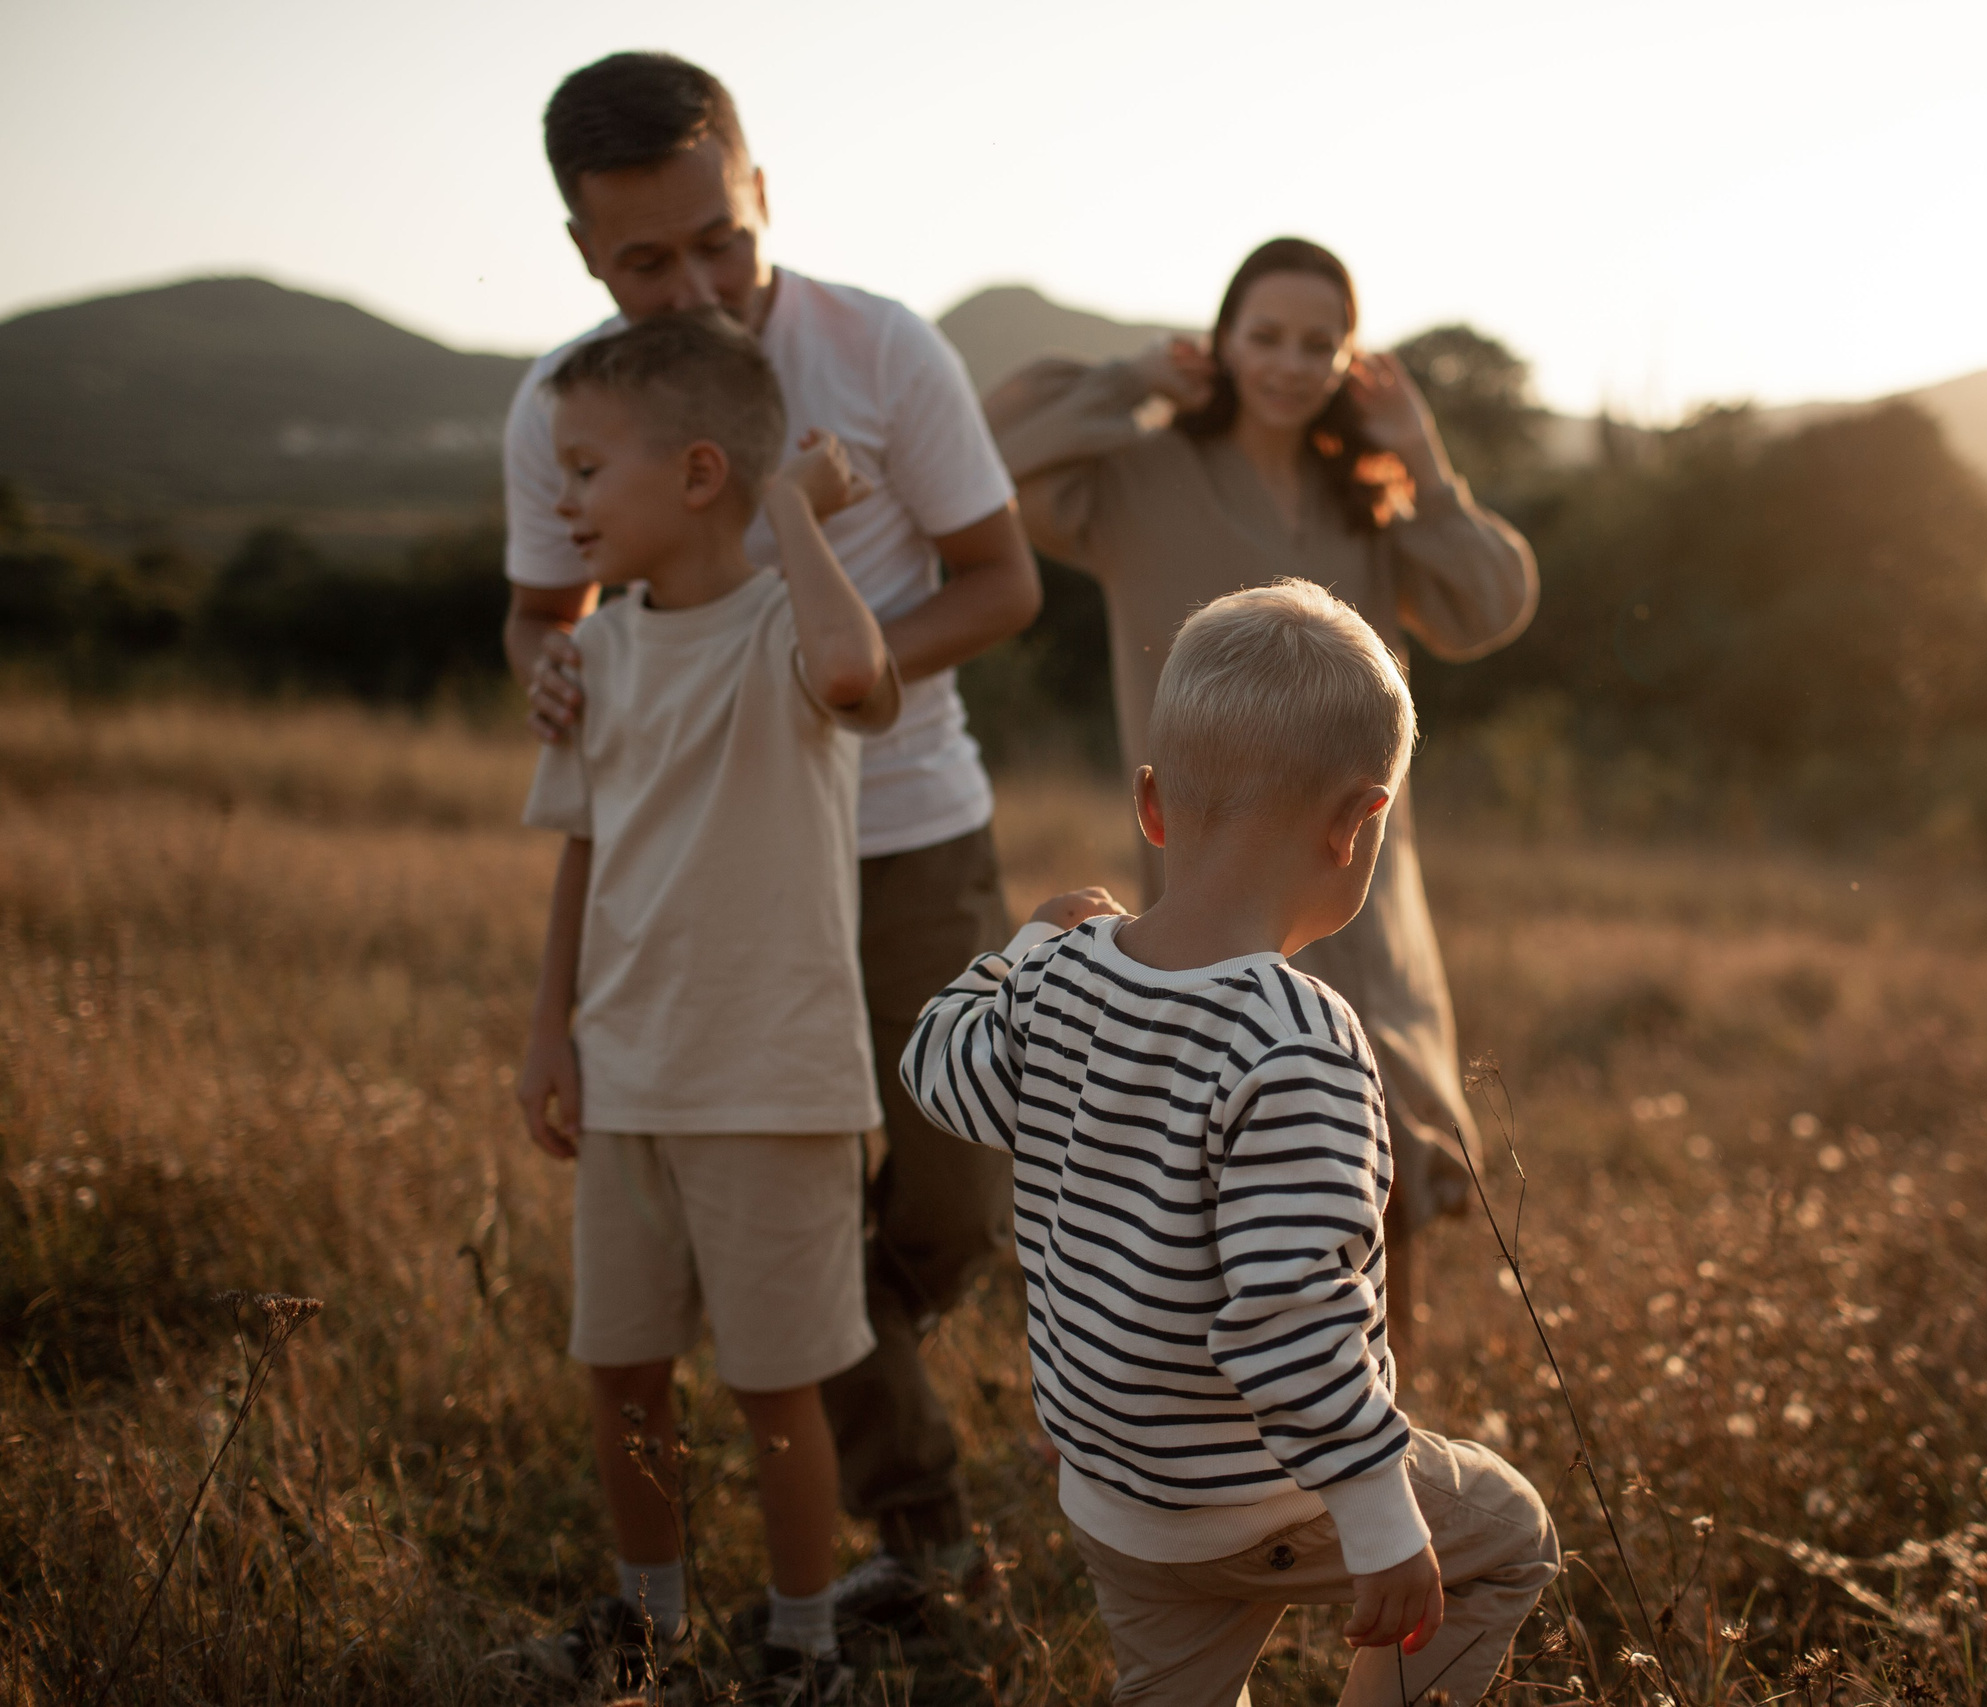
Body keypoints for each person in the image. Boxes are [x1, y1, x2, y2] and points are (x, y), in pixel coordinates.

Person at [503, 51, 1040, 1576]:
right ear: (585, 256)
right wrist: (552, 675)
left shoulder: (886, 351)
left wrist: (802, 676)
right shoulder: (571, 409)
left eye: (720, 238)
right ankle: (918, 1525)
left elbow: (1005, 581)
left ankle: (806, 1336)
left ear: (760, 191)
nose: (696, 284)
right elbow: (549, 613)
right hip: (708, 871)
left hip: (906, 826)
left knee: (953, 1181)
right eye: (646, 260)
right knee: (786, 1204)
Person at [901, 581, 1560, 1707]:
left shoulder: (1058, 979)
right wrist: (1378, 1517)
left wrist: (1023, 941)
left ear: (1152, 805)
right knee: (1506, 1534)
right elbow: (1288, 1314)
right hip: (1261, 1499)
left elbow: (935, 1066)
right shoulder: (1296, 1041)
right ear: (1361, 825)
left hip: (1114, 1496)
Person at [982, 237, 1536, 1348]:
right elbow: (988, 457)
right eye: (1266, 336)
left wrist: (1423, 457)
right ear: (1223, 340)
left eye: (1317, 342)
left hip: (1357, 872)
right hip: (1212, 869)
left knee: (1377, 1133)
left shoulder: (1364, 502)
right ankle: (1233, 1420)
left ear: (1349, 357)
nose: (1290, 362)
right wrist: (1130, 380)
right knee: (1222, 1135)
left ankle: (1383, 1411)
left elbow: (1490, 605)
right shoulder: (1133, 480)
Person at [508, 311, 895, 1699]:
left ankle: (804, 1639)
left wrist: (793, 502)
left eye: (588, 468)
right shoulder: (596, 657)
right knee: (621, 1367)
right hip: (626, 1068)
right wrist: (549, 1026)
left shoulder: (791, 625)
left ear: (695, 473)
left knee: (772, 1389)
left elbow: (858, 677)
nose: (564, 499)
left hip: (773, 1078)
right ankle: (648, 1618)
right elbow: (584, 846)